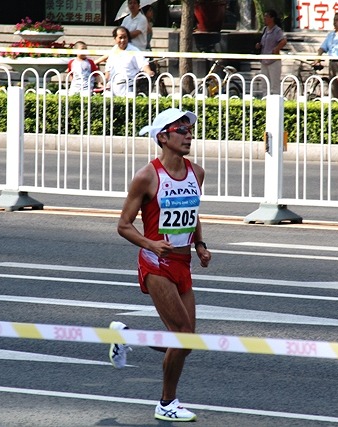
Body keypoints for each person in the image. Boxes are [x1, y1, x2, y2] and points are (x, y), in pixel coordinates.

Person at [113, 108, 212, 422]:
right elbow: (124, 225)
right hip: (156, 263)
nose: (188, 135)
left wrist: (199, 244)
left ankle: (128, 337)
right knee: (182, 334)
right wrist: (151, 243)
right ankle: (167, 403)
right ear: (162, 137)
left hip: (183, 262)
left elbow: (191, 211)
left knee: (186, 341)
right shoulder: (147, 176)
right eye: (180, 130)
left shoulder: (197, 172)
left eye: (189, 129)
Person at [103, 26, 154, 96]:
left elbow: (143, 64)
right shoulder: (113, 50)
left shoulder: (134, 50)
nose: (123, 40)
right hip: (112, 87)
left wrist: (148, 71)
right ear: (115, 38)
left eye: (125, 37)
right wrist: (104, 82)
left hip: (128, 87)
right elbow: (108, 69)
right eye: (120, 38)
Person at [255, 9, 287, 95]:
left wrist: (276, 48)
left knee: (274, 85)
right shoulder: (265, 29)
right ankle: (265, 100)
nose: (265, 18)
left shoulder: (277, 30)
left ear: (272, 18)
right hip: (264, 59)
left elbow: (283, 41)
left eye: (267, 17)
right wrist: (259, 45)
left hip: (273, 60)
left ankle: (275, 102)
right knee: (264, 83)